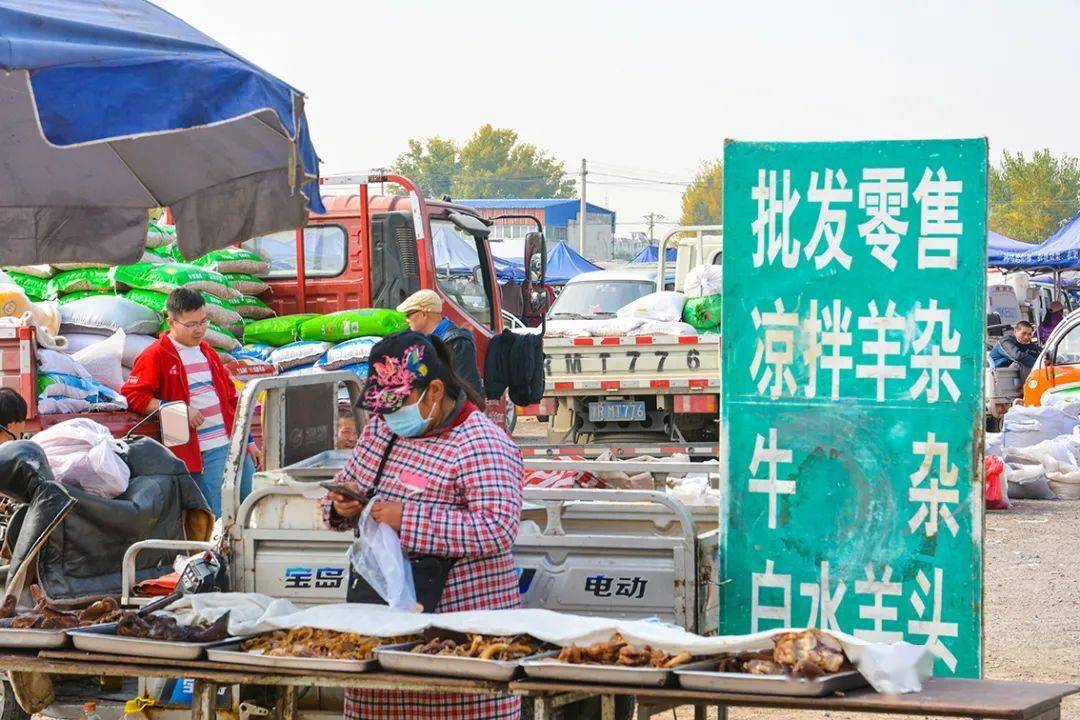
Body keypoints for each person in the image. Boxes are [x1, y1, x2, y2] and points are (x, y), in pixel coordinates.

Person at [322, 332, 523, 720]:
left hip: (460, 633)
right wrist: (341, 505)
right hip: (383, 622)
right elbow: (352, 479)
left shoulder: (481, 442)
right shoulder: (383, 430)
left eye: (398, 404)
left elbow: (497, 527)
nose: (389, 415)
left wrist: (406, 519)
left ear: (434, 391)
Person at [121, 288, 258, 516]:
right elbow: (133, 396)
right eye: (191, 324)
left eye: (203, 322)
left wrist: (249, 440)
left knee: (253, 509)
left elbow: (231, 399)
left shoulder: (208, 352)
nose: (199, 329)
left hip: (235, 444)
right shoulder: (156, 355)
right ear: (171, 322)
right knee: (220, 518)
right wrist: (177, 410)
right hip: (201, 451)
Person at [396, 289, 483, 396]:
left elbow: (469, 388)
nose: (406, 320)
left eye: (408, 314)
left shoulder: (457, 342)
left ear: (424, 314)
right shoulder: (413, 338)